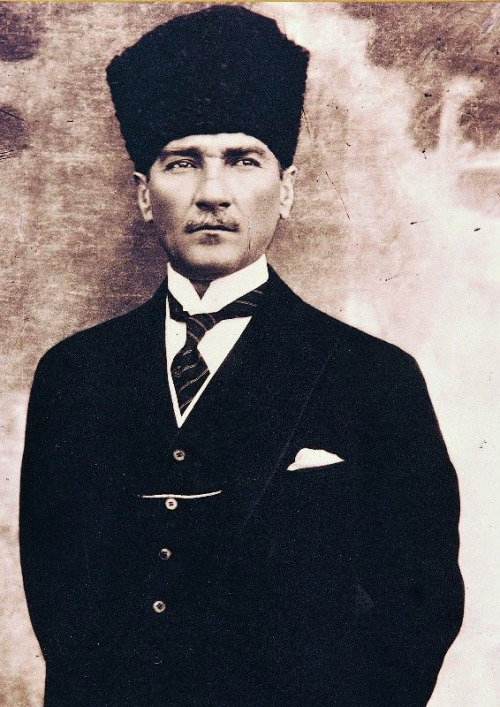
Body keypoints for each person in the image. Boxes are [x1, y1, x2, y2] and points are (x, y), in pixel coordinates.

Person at [19, 6, 464, 707]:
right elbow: (60, 606)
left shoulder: (374, 379)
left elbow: (420, 608)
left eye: (243, 160)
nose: (213, 194)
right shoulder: (75, 376)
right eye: (182, 162)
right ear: (143, 195)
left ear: (286, 190)